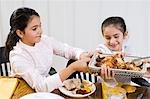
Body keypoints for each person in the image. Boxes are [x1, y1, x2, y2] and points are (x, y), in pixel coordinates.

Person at [5, 7, 113, 92]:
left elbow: (66, 50)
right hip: (25, 92)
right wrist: (72, 68)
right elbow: (42, 86)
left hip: (46, 88)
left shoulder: (43, 40)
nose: (40, 31)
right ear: (20, 33)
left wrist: (82, 55)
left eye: (40, 26)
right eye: (34, 29)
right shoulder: (18, 56)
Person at [96, 16, 150, 85]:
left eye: (116, 37)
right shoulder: (102, 49)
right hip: (104, 88)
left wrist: (144, 65)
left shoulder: (128, 49)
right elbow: (97, 55)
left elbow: (137, 63)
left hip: (125, 88)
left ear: (124, 34)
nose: (112, 41)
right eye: (108, 38)